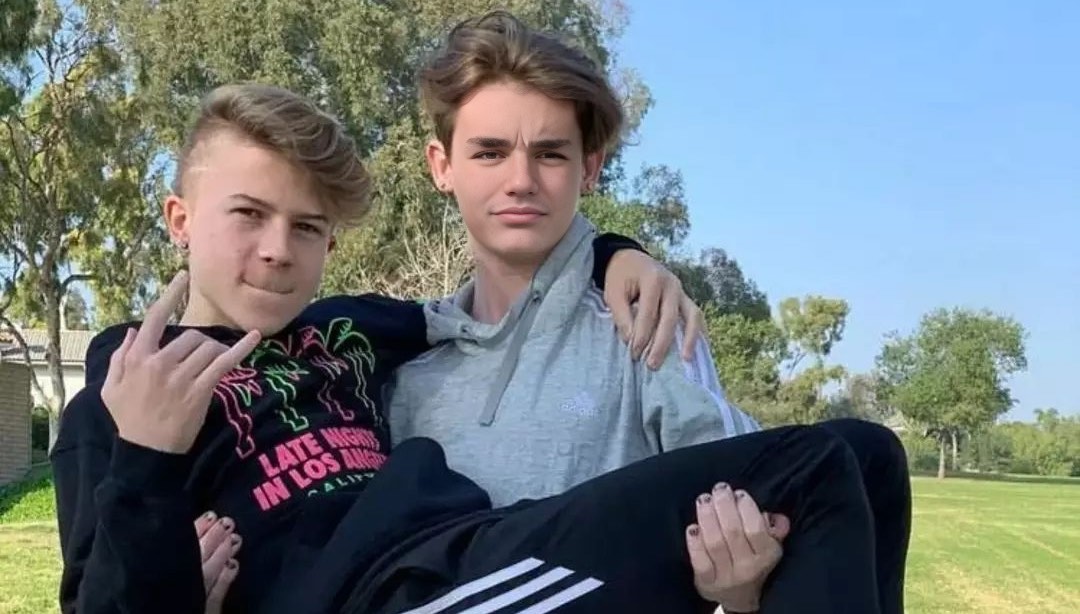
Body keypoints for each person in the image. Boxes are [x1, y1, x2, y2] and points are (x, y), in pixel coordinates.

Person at [52, 83, 887, 614]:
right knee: (813, 470)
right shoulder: (121, 402)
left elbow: (504, 272)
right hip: (379, 596)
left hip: (468, 551)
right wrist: (147, 460)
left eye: (306, 227)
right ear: (180, 219)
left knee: (863, 454)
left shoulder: (342, 334)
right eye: (248, 215)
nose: (277, 250)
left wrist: (613, 252)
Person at [389, 11, 911, 614]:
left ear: (589, 167)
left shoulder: (644, 322)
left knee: (867, 455)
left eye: (550, 154)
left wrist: (743, 592)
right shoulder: (400, 368)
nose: (520, 180)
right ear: (442, 166)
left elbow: (759, 528)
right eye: (489, 152)